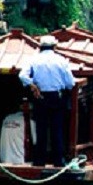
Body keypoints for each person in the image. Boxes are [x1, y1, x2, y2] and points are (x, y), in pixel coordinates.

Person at [19, 35, 75, 167]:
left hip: (40, 97)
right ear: (54, 47)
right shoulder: (61, 60)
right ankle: (58, 161)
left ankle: (39, 161)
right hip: (57, 97)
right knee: (57, 129)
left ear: (40, 47)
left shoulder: (34, 59)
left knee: (41, 129)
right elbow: (70, 83)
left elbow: (22, 75)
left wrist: (32, 85)